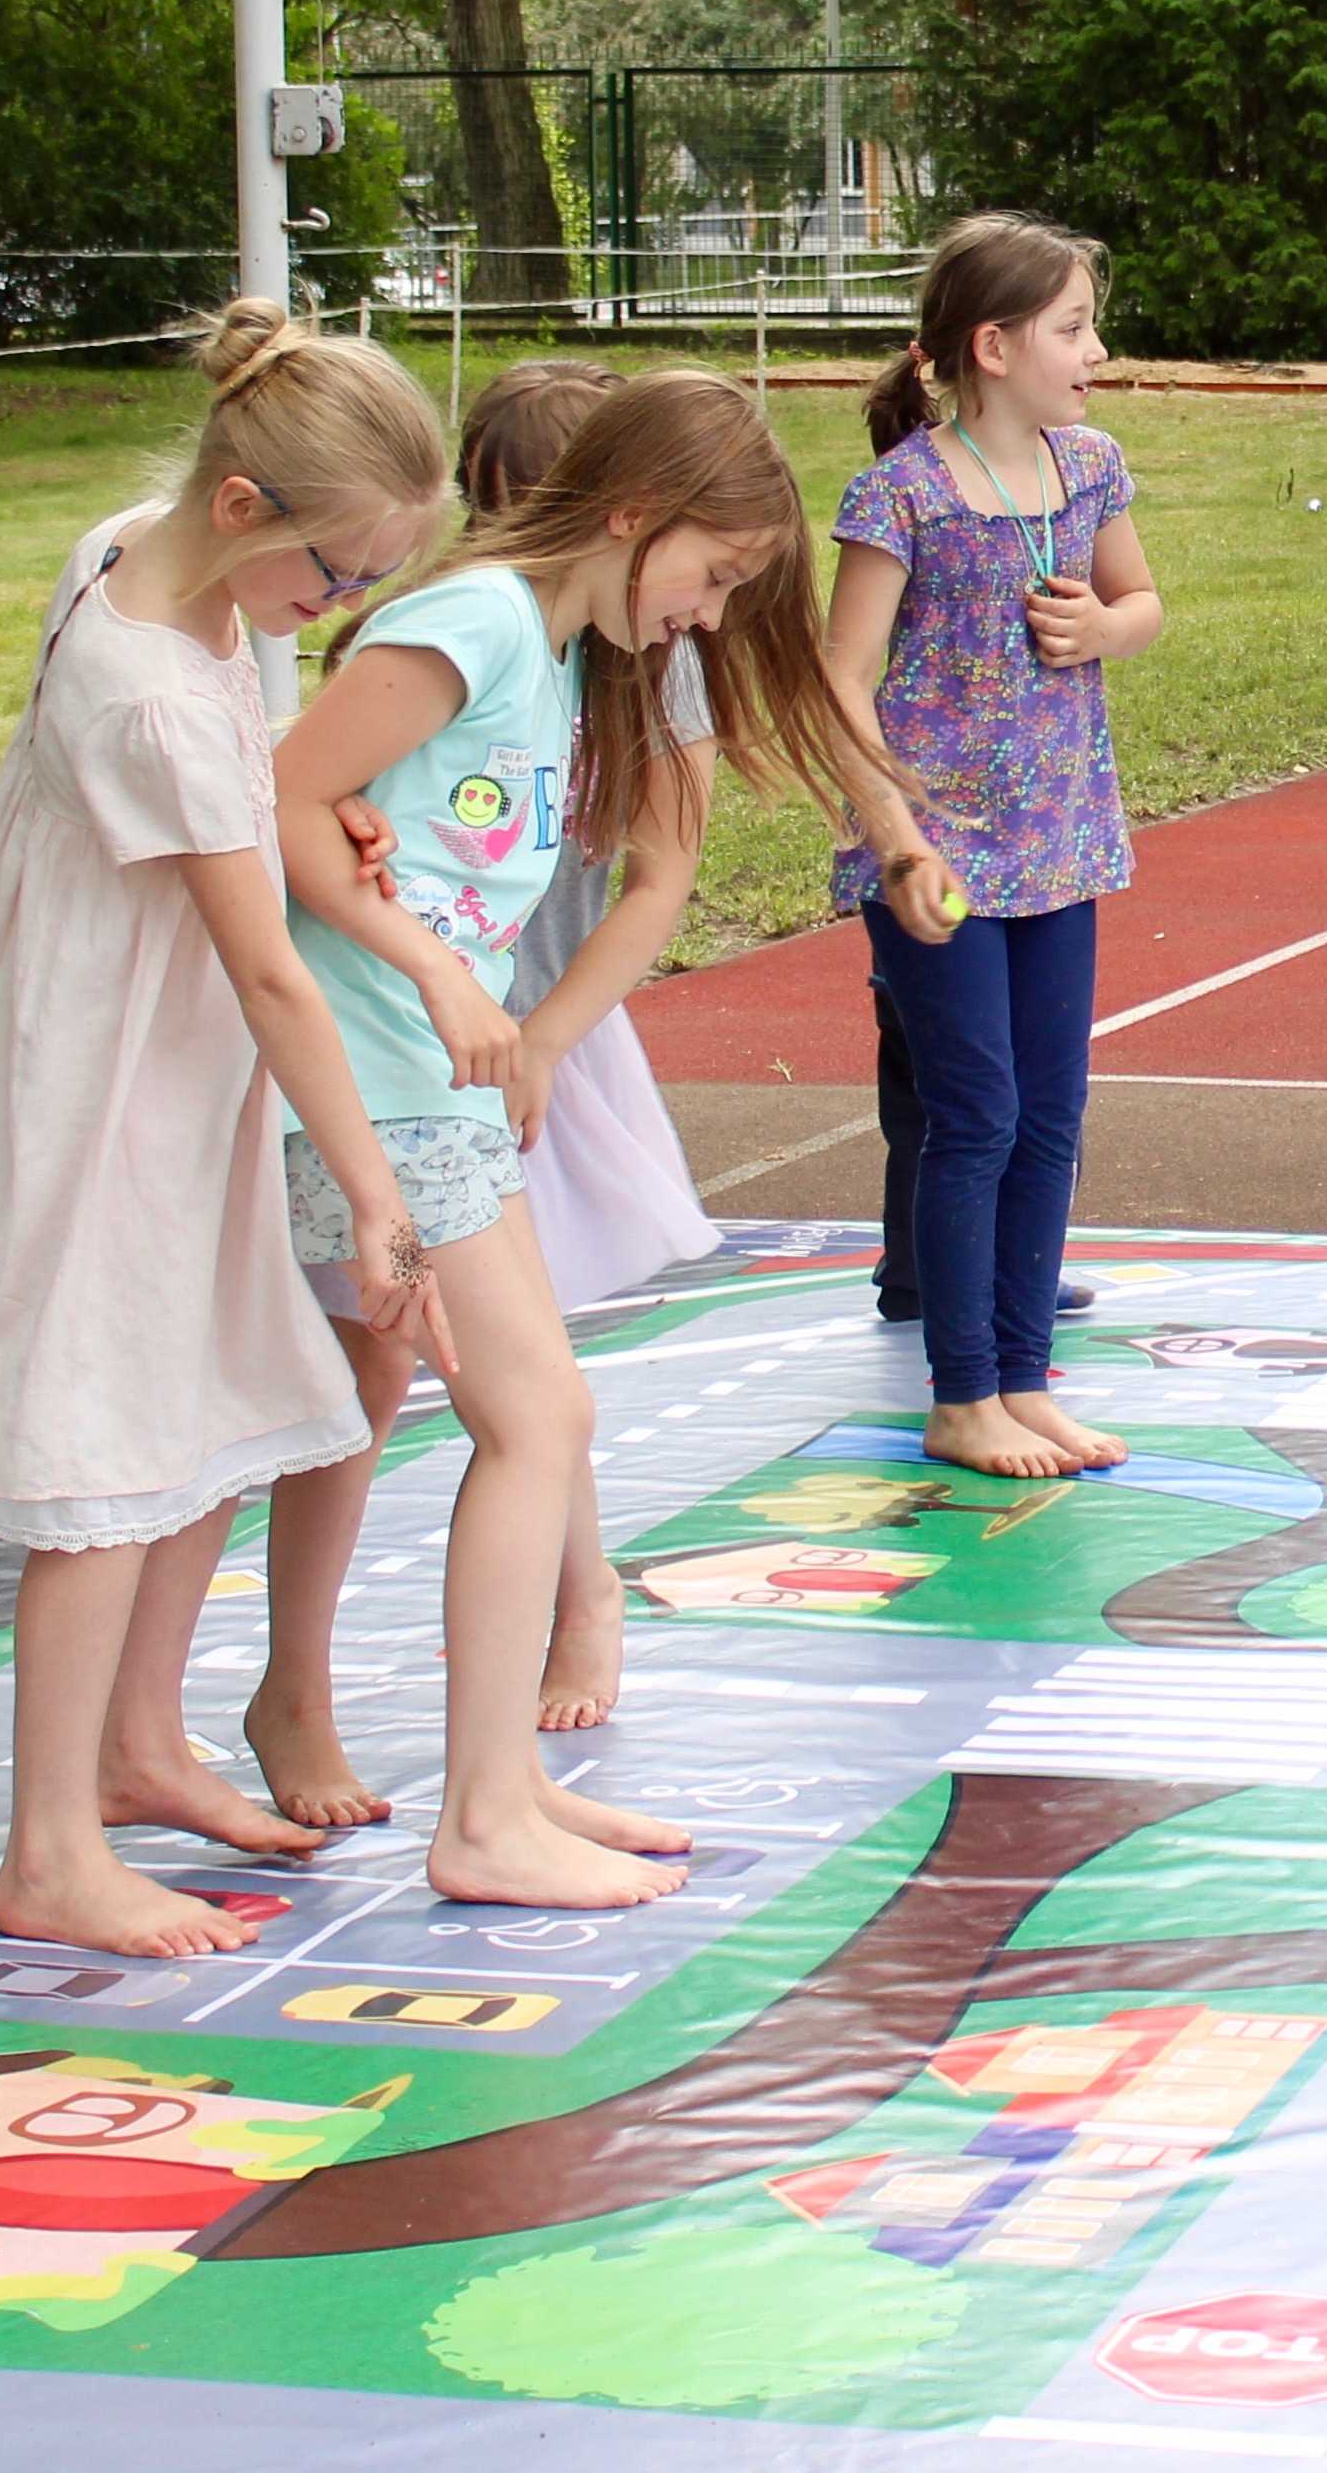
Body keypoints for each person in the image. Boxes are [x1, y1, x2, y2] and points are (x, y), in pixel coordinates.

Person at [0, 302, 452, 1957]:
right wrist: (375, 1193)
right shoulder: (142, 680)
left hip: (168, 1075)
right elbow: (273, 969)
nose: (335, 611)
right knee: (100, 1452)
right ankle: (48, 1848)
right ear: (239, 509)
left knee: (201, 1402)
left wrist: (292, 782)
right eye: (331, 577)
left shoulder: (167, 575)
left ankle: (138, 1747)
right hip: (103, 1096)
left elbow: (239, 789)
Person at [271, 369, 861, 1905]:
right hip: (378, 1076)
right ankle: (481, 1815)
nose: (711, 618)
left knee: (540, 1419)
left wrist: (482, 1010)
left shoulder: (540, 652)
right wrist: (438, 976)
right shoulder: (472, 621)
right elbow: (268, 804)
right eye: (713, 577)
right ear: (631, 514)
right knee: (536, 1421)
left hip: (437, 1081)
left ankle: (502, 1786)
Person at [834, 213, 1162, 1480]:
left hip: (1062, 845)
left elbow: (1143, 602)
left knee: (1050, 1115)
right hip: (942, 862)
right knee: (975, 1115)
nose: (1094, 349)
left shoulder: (1090, 467)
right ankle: (959, 1392)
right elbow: (839, 675)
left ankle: (1023, 1378)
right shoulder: (905, 490)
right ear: (993, 344)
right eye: (1073, 327)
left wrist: (1104, 630)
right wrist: (896, 839)